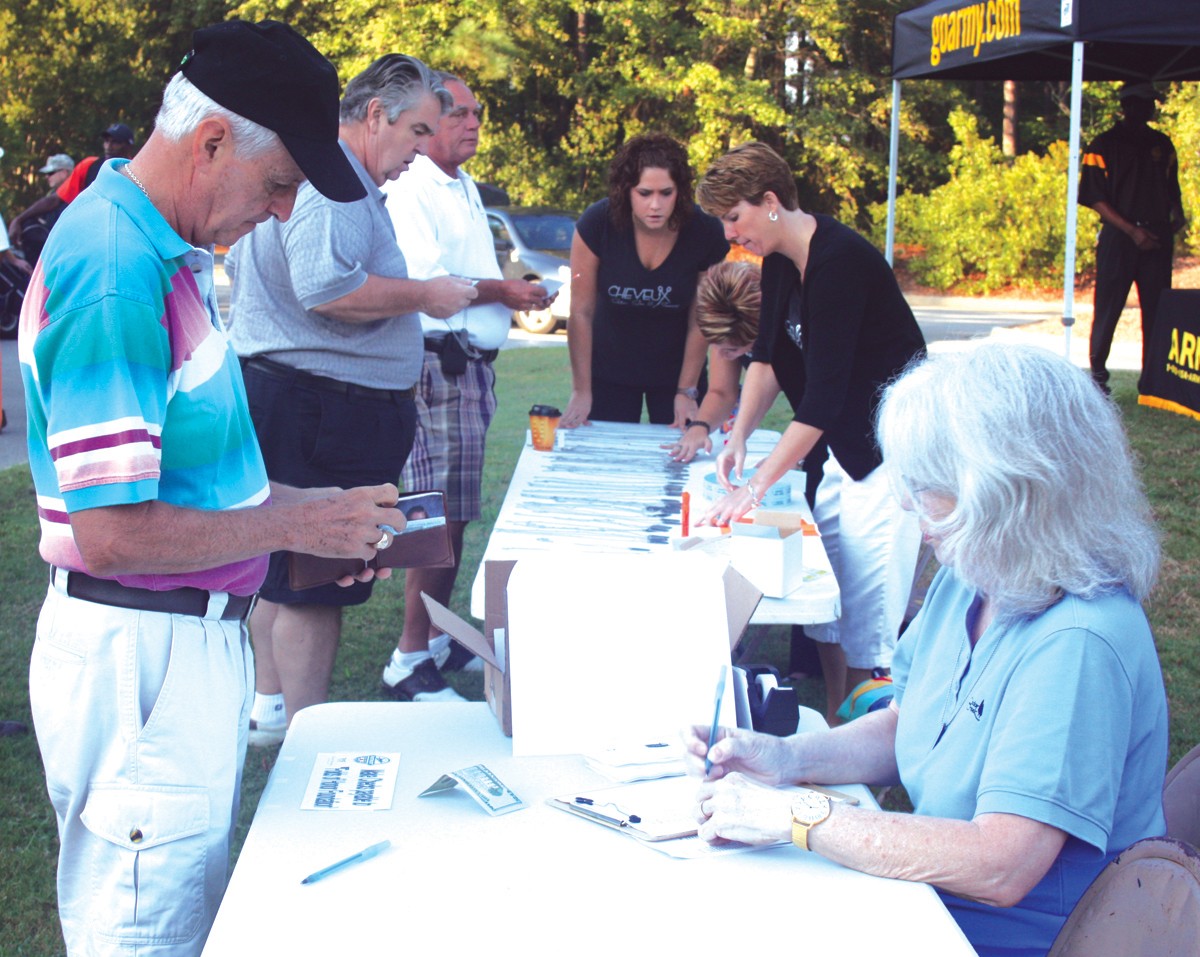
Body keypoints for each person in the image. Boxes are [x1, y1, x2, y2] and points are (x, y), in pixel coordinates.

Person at [19, 19, 404, 955]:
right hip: (142, 655)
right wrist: (303, 517)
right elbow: (111, 530)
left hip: (162, 652)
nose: (279, 213)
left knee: (175, 916)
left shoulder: (149, 249)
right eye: (279, 186)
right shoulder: (115, 269)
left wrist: (314, 520)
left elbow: (187, 477)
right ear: (213, 140)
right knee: (146, 934)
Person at [688, 342, 1168, 957]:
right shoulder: (976, 574)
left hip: (1023, 938)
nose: (908, 503)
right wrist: (783, 758)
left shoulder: (1078, 642)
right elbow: (909, 727)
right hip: (938, 906)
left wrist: (797, 817)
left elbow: (1002, 865)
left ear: (1012, 490)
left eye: (929, 483)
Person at [227, 54, 477, 739]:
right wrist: (427, 294)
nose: (422, 149)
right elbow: (326, 287)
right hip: (321, 407)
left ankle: (273, 708)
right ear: (374, 115)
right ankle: (306, 733)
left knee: (283, 568)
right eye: (417, 130)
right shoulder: (335, 182)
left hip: (302, 401)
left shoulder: (332, 175)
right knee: (313, 578)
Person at [697, 142, 925, 723]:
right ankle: (833, 719)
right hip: (840, 454)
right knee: (826, 605)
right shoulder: (778, 261)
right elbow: (768, 357)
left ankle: (872, 742)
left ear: (769, 201)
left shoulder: (838, 261)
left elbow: (822, 399)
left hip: (885, 456)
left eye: (734, 217)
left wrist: (750, 491)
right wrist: (740, 435)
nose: (731, 234)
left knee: (869, 625)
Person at [379, 72, 551, 695]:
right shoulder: (412, 187)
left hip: (469, 370)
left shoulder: (463, 184)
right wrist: (505, 290)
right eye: (459, 114)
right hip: (435, 364)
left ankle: (437, 640)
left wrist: (509, 291)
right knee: (433, 515)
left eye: (478, 113)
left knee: (456, 515)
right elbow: (427, 281)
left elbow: (468, 274)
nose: (474, 124)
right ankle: (407, 658)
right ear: (425, 123)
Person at [559, 132, 728, 428]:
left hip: (678, 374)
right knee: (608, 463)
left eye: (666, 193)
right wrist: (581, 390)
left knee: (681, 461)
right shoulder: (597, 224)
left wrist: (686, 390)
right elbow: (581, 313)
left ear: (681, 191)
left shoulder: (705, 231)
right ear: (627, 191)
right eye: (644, 193)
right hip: (607, 372)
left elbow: (701, 318)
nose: (655, 205)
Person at [1079, 81, 1185, 393]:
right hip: (1120, 238)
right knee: (1108, 308)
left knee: (1157, 310)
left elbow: (1171, 188)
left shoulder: (1162, 144)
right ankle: (1098, 378)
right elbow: (1094, 197)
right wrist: (1132, 231)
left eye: (1150, 102)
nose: (1146, 109)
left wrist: (1176, 217)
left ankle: (1153, 381)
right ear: (1125, 106)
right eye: (1140, 103)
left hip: (1156, 236)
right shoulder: (1102, 145)